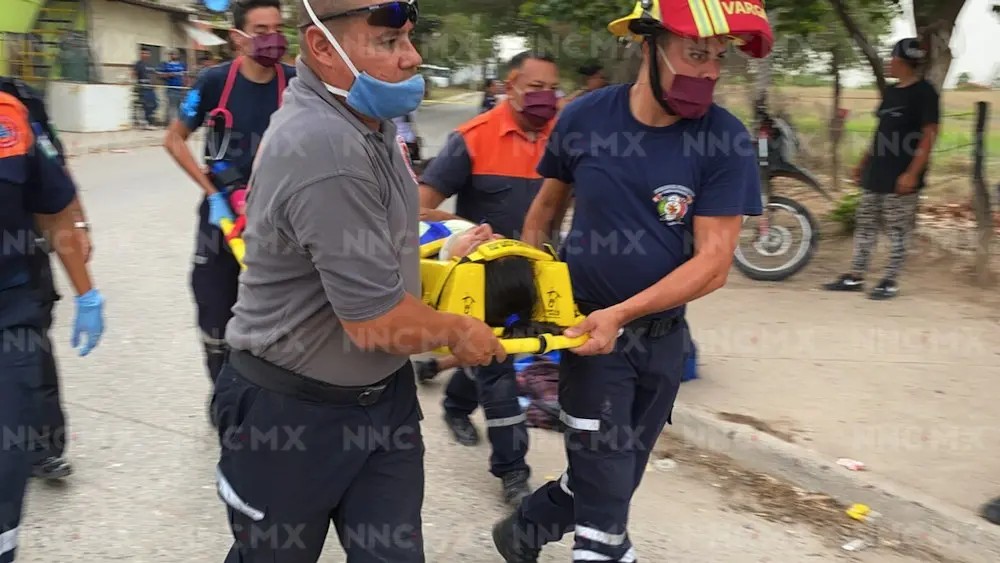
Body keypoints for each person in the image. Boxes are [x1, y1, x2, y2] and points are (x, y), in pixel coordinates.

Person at [212, 0, 505, 560]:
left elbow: (383, 222)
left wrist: (448, 239)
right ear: (323, 48)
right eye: (389, 42)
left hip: (383, 402)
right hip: (291, 414)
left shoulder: (368, 123)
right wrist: (458, 332)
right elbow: (376, 323)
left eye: (409, 38)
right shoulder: (326, 146)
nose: (412, 57)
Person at [490, 1, 773, 561]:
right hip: (590, 338)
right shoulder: (585, 118)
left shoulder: (724, 139)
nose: (710, 72)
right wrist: (539, 301)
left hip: (662, 342)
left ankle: (527, 527)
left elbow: (714, 262)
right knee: (606, 507)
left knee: (612, 479)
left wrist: (624, 314)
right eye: (696, 53)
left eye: (719, 57)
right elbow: (544, 212)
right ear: (649, 44)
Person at [417, 49, 561, 506]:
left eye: (552, 89)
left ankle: (455, 404)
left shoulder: (563, 140)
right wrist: (464, 231)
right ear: (510, 85)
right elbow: (418, 207)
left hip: (536, 277)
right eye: (535, 87)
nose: (545, 97)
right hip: (481, 285)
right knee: (499, 373)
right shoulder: (472, 139)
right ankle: (513, 473)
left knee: (494, 355)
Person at [163, 0, 295, 425]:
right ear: (237, 37)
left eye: (277, 28)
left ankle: (264, 397)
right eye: (260, 30)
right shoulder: (214, 82)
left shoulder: (296, 85)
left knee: (277, 317)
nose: (272, 38)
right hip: (222, 218)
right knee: (215, 309)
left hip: (277, 223)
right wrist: (212, 193)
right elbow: (174, 139)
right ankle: (222, 390)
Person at [0, 83, 105, 563]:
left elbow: (55, 209)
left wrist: (87, 293)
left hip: (10, 314)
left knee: (6, 462)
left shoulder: (10, 117)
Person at [822, 37, 940, 300]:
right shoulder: (892, 92)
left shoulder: (925, 93)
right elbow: (881, 131)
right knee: (865, 224)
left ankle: (890, 280)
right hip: (876, 171)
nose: (889, 63)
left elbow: (930, 134)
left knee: (897, 229)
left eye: (892, 58)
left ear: (903, 62)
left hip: (901, 176)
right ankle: (855, 276)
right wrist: (863, 163)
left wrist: (912, 173)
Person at [158, 49, 188, 123]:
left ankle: (180, 123)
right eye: (172, 54)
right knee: (172, 107)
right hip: (171, 89)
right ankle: (171, 123)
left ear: (178, 55)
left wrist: (185, 87)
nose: (174, 55)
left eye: (175, 54)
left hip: (181, 89)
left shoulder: (182, 65)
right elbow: (160, 76)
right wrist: (169, 75)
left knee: (181, 107)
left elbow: (185, 76)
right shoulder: (166, 65)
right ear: (170, 55)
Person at [132, 47, 158, 128]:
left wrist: (154, 83)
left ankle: (149, 122)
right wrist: (134, 83)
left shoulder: (151, 65)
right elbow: (133, 74)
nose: (145, 55)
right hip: (143, 88)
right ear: (140, 54)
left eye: (147, 53)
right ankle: (146, 122)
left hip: (150, 88)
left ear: (149, 55)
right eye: (143, 53)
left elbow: (154, 75)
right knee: (146, 105)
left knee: (154, 104)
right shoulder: (138, 64)